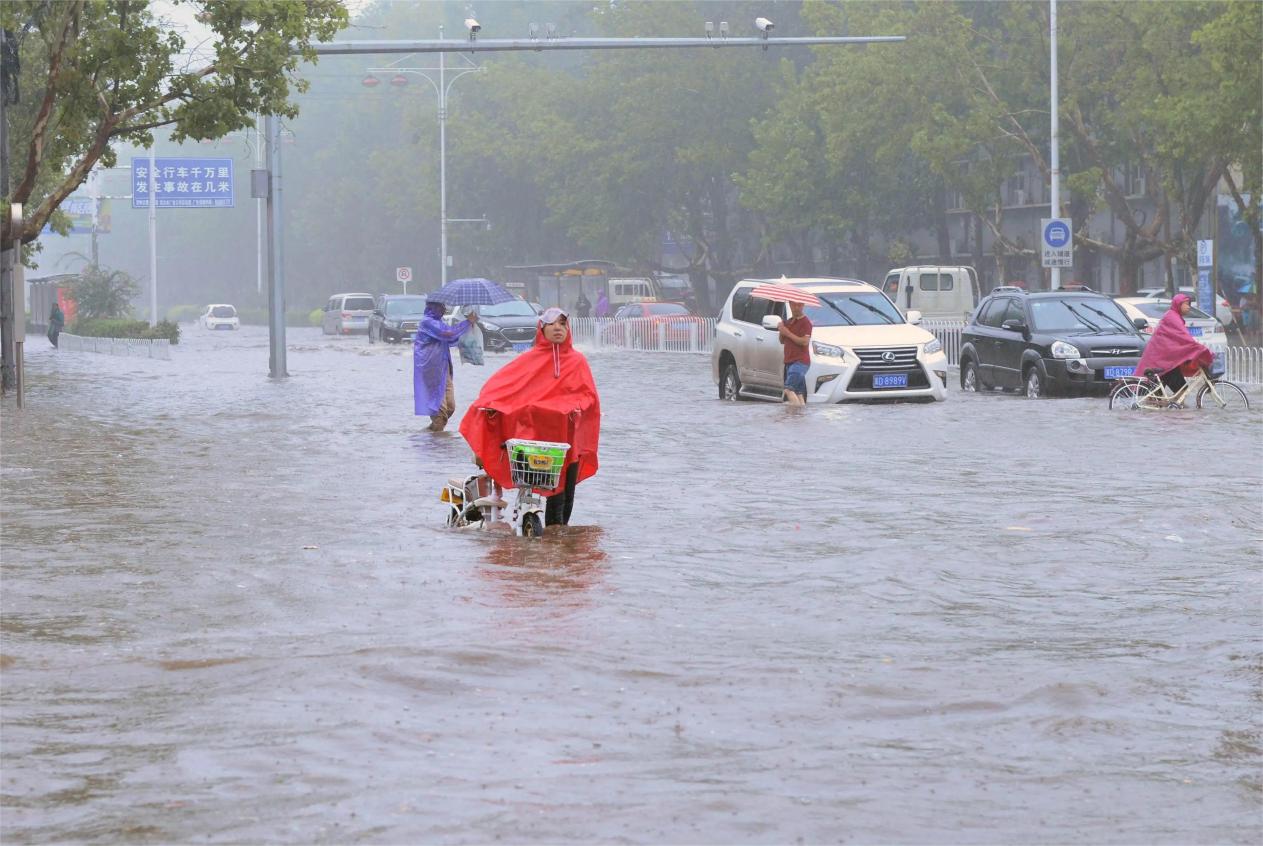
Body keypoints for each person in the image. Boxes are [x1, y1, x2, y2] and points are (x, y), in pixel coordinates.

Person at [459, 307, 600, 528]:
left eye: (562, 324)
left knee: (564, 499)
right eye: (552, 324)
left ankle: (558, 541)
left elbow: (589, 397)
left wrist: (573, 406)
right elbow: (502, 387)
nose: (557, 328)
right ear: (541, 329)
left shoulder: (577, 362)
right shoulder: (528, 361)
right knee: (530, 482)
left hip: (566, 440)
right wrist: (490, 405)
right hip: (535, 441)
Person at [1132, 293, 1213, 396]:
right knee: (1180, 391)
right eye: (1186, 304)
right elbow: (1184, 338)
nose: (1189, 307)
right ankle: (1177, 409)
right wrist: (1199, 349)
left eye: (1189, 304)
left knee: (1157, 396)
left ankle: (1167, 409)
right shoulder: (1172, 317)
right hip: (1162, 361)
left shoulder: (1174, 316)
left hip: (1164, 360)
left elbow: (1177, 340)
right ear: (1178, 304)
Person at [414, 298, 471, 431]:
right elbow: (447, 334)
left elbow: (451, 339)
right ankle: (436, 445)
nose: (444, 310)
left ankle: (430, 433)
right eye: (441, 307)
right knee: (440, 413)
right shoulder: (427, 322)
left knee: (450, 407)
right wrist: (467, 323)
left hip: (444, 368)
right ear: (433, 308)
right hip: (431, 369)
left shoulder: (439, 322)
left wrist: (469, 327)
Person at [778, 300, 813, 405]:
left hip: (800, 362)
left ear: (803, 305)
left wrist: (787, 333)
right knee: (798, 393)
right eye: (794, 304)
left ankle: (793, 417)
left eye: (800, 305)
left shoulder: (806, 323)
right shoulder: (788, 322)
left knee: (788, 389)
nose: (797, 307)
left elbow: (804, 342)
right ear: (790, 305)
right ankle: (800, 418)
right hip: (789, 361)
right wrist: (781, 329)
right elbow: (782, 341)